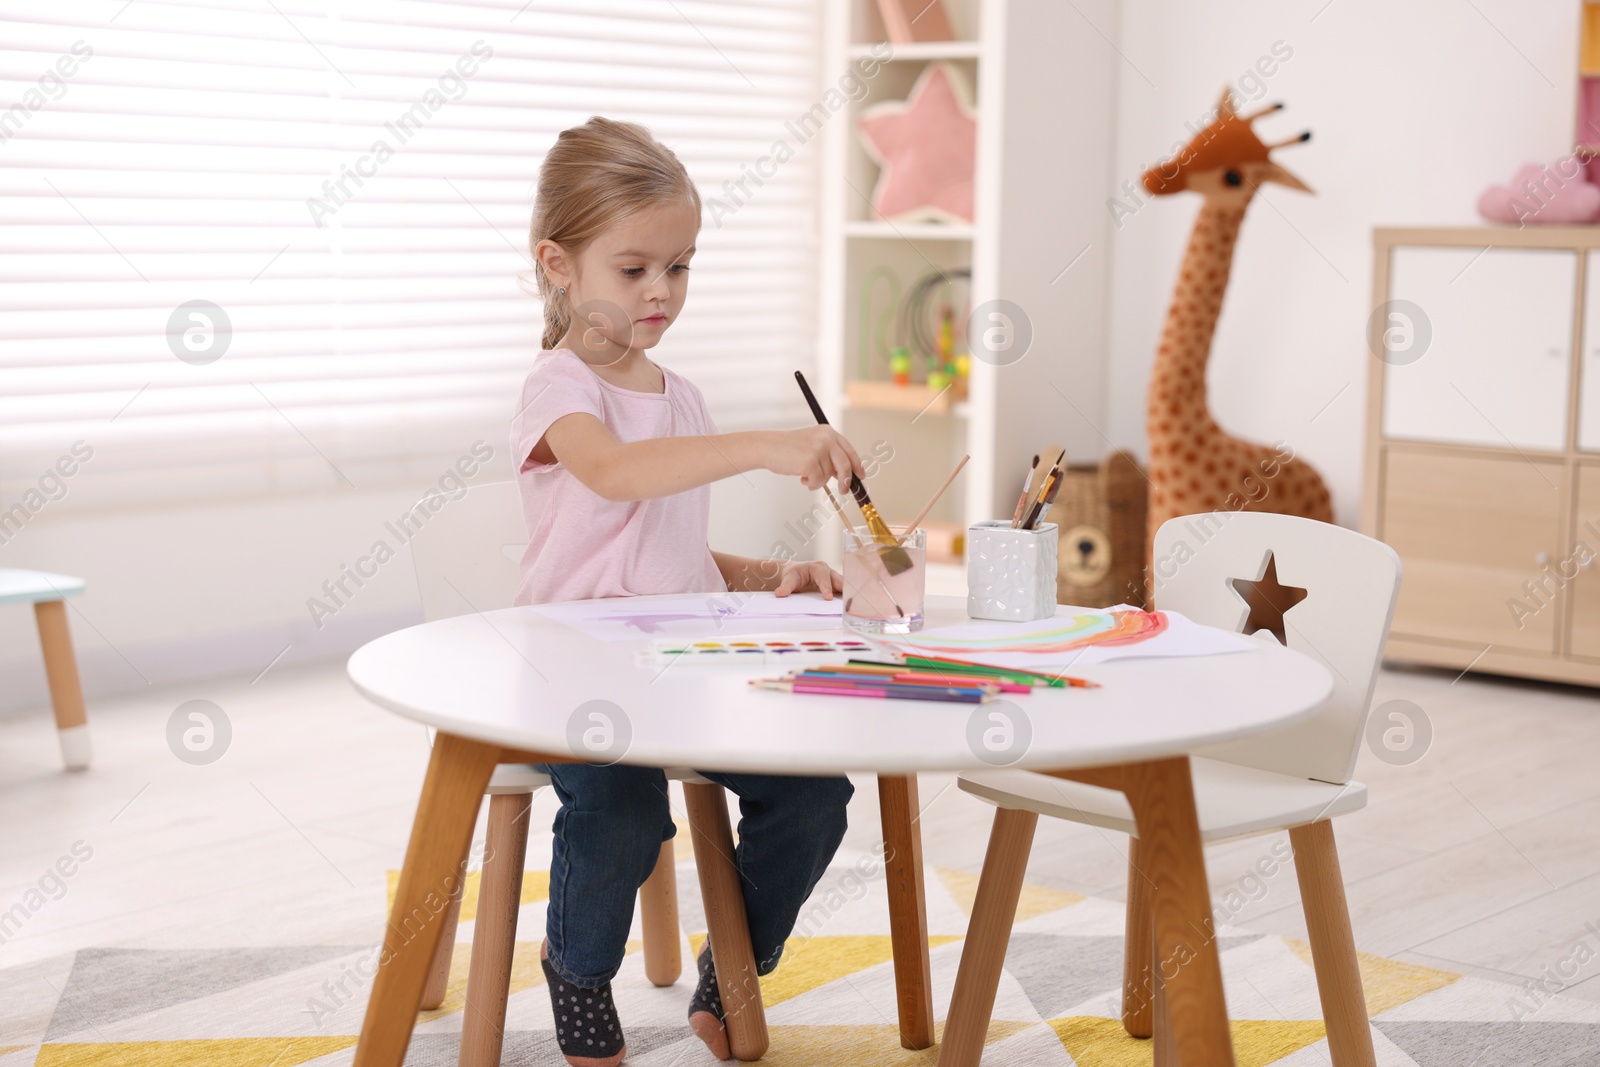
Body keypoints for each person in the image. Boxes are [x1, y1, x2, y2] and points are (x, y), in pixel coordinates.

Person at [513, 115, 858, 1066]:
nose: (661, 291)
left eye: (682, 265)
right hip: (578, 677)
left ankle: (735, 968)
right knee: (622, 814)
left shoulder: (682, 397)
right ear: (559, 263)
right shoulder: (558, 388)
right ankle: (578, 973)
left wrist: (772, 578)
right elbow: (617, 476)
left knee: (815, 796)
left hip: (686, 670)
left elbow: (673, 551)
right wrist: (764, 444)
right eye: (634, 269)